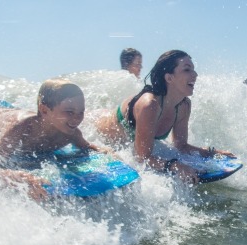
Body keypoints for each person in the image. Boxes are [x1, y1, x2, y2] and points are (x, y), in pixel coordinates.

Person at [96, 49, 235, 184]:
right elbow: (141, 158)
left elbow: (181, 145)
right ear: (169, 77)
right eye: (187, 69)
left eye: (193, 69)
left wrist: (212, 153)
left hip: (128, 137)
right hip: (101, 129)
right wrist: (175, 166)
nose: (195, 74)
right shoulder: (150, 105)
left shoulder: (183, 106)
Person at [0, 78, 113, 201]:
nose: (76, 119)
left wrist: (109, 153)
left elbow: (88, 146)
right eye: (69, 112)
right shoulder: (21, 129)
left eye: (81, 112)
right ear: (44, 110)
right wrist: (17, 177)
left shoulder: (71, 133)